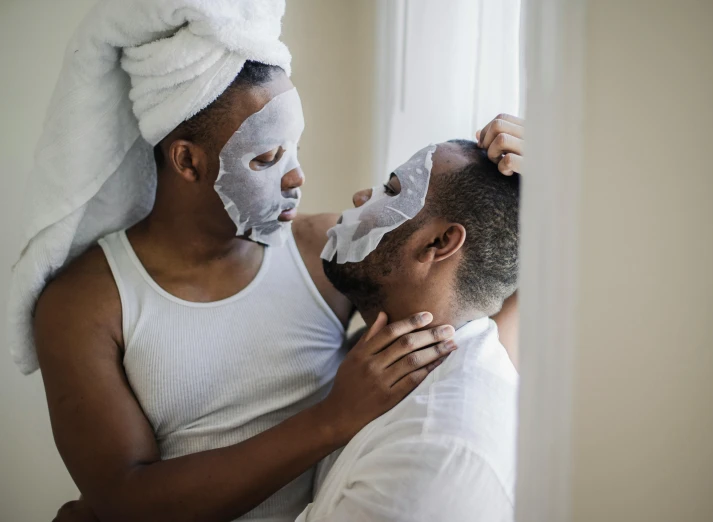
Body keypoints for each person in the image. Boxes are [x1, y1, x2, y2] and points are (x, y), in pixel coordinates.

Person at [10, 2, 524, 521]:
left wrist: (544, 191)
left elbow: (456, 314)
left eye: (294, 147)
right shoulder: (83, 304)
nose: (297, 177)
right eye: (265, 158)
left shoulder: (322, 249)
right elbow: (123, 502)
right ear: (188, 160)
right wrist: (330, 420)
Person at [298, 140, 520, 521]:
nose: (359, 197)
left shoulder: (435, 451)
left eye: (391, 190)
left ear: (438, 243)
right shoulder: (390, 362)